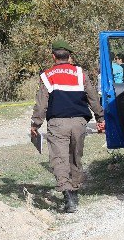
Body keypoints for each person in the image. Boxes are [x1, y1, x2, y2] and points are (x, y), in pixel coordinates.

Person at [30, 40, 105, 213]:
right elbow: (93, 97)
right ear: (69, 56)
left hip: (57, 124)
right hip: (79, 122)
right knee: (75, 156)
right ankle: (75, 188)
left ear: (53, 56)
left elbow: (42, 104)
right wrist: (100, 117)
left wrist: (35, 124)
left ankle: (69, 196)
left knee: (59, 159)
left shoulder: (47, 76)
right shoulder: (80, 73)